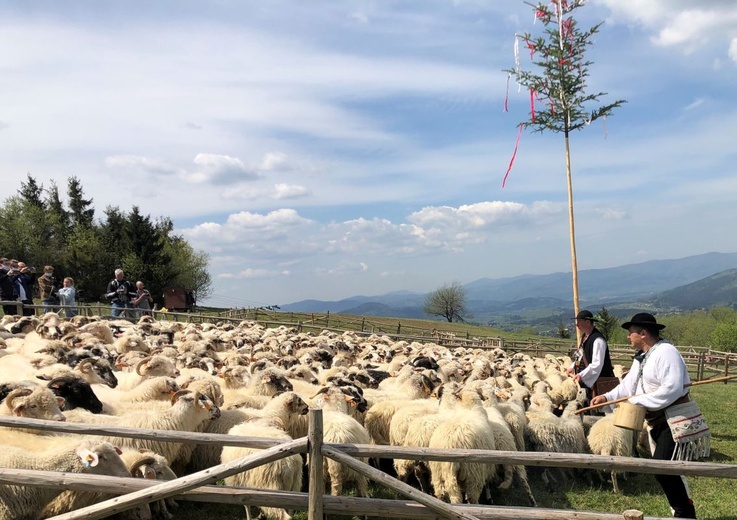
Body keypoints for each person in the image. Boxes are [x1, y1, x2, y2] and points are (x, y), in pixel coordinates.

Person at [591, 313, 697, 519]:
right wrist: (606, 397)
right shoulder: (643, 357)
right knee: (664, 469)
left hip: (673, 418)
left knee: (663, 468)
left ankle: (685, 513)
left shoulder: (667, 353)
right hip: (656, 419)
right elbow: (629, 386)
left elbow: (673, 389)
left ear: (644, 334)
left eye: (631, 333)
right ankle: (680, 510)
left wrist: (638, 401)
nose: (628, 337)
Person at [566, 309, 615, 403]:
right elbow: (580, 355)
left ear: (588, 322)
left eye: (579, 321)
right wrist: (572, 367)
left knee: (600, 409)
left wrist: (581, 374)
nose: (577, 324)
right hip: (587, 380)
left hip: (600, 381)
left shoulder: (598, 340)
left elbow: (597, 364)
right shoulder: (584, 337)